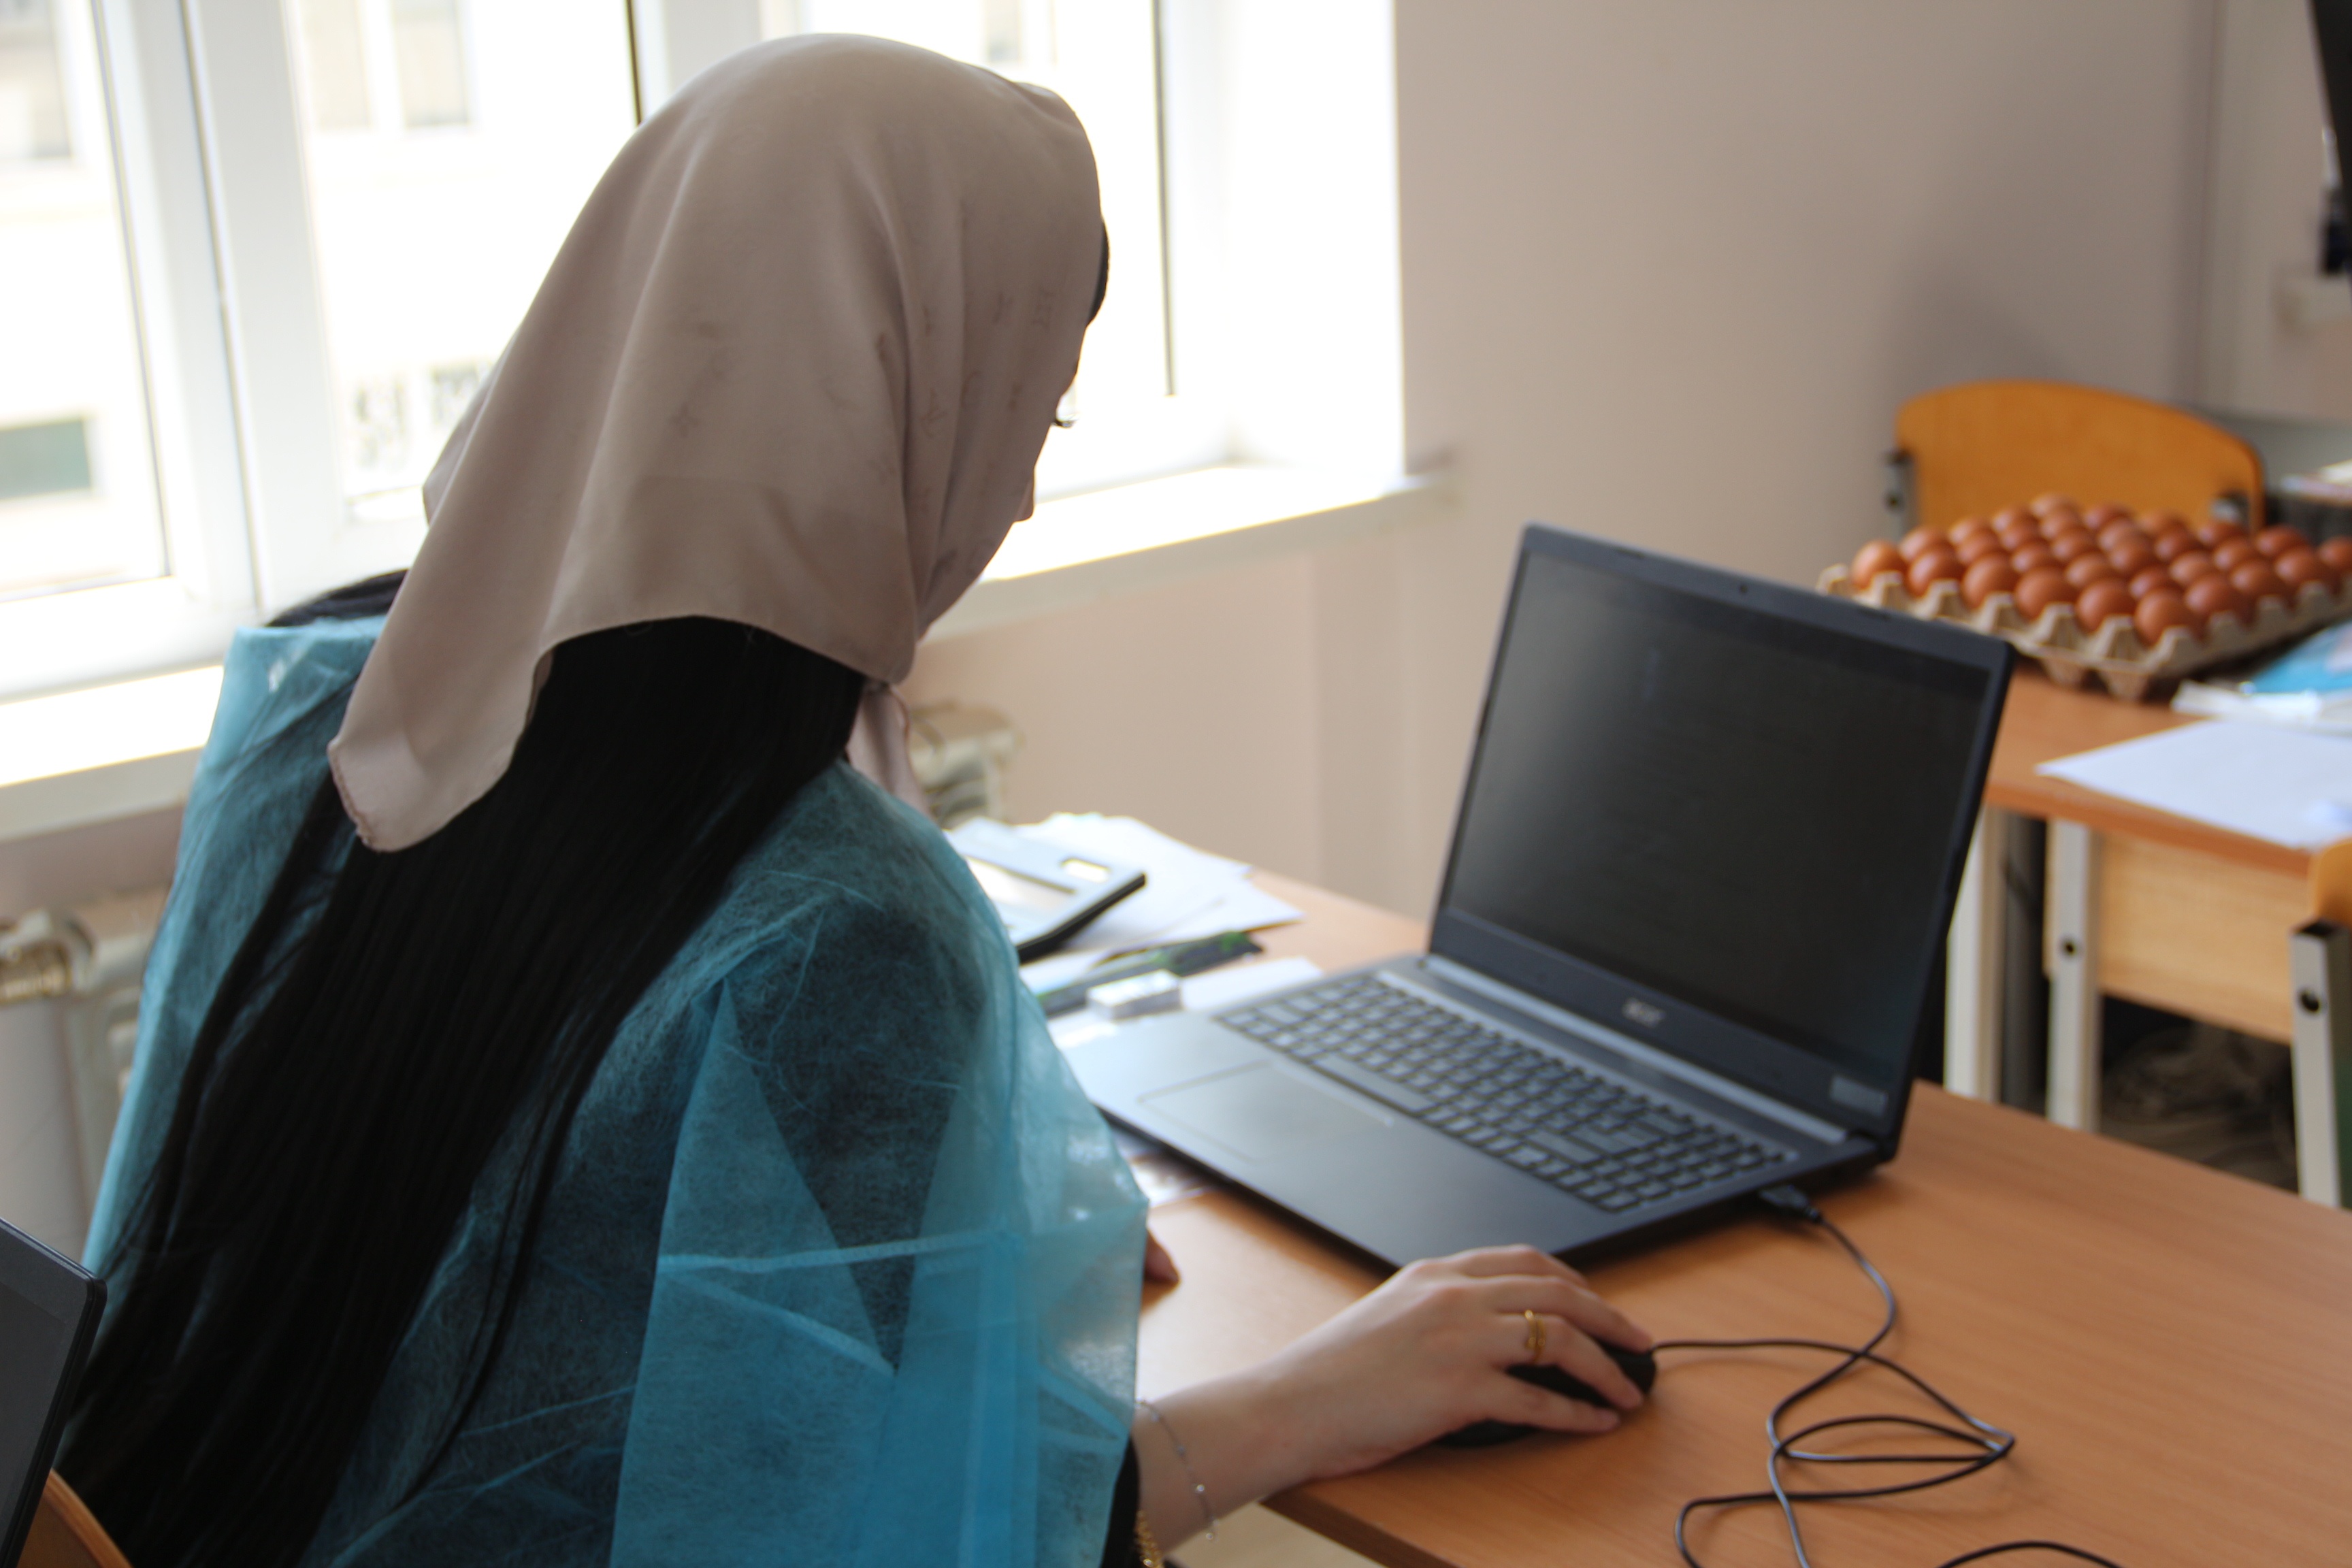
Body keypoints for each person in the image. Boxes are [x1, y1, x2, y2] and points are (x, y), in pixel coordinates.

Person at [57, 35, 1650, 1568]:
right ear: (892, 401)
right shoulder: (837, 930)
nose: (1019, 491)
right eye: (1027, 415)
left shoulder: (327, 707)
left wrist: (959, 1235)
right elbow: (907, 1539)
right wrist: (1311, 1398)